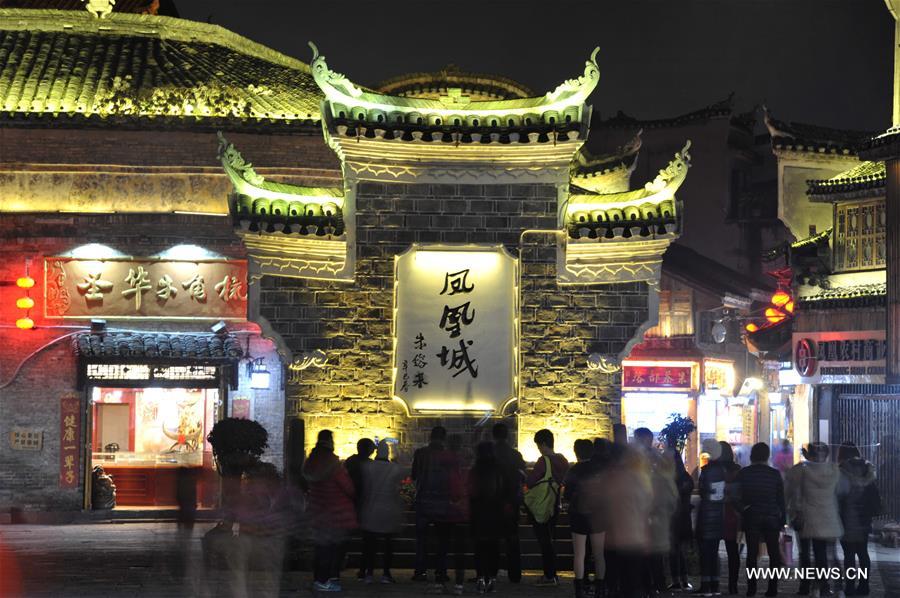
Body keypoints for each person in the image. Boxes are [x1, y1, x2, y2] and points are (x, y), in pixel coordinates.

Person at [302, 430, 357, 593]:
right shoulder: (334, 465)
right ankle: (325, 580)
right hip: (335, 512)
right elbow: (348, 488)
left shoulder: (310, 463)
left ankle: (319, 578)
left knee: (321, 548)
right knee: (332, 549)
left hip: (318, 511)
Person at [786, 442, 843, 596]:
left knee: (805, 554)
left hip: (806, 518)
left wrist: (787, 510)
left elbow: (789, 491)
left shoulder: (800, 470)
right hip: (827, 517)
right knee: (822, 554)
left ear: (809, 455)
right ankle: (822, 586)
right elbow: (841, 492)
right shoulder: (834, 470)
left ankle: (805, 586)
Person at [736, 442, 785, 597]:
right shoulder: (775, 474)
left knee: (751, 553)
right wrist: (782, 520)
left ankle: (751, 589)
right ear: (767, 455)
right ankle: (772, 588)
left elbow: (737, 496)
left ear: (752, 455)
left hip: (752, 516)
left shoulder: (744, 473)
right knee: (774, 553)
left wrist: (744, 509)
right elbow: (781, 500)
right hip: (771, 516)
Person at [633, 427, 677, 596]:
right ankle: (656, 585)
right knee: (653, 552)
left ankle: (650, 585)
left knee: (649, 552)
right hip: (654, 511)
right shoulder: (655, 457)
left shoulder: (643, 459)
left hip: (648, 510)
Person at [525, 428, 569, 586]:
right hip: (555, 503)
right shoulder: (563, 460)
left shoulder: (543, 461)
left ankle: (549, 576)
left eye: (538, 445)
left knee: (544, 541)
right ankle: (552, 574)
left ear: (543, 444)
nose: (538, 448)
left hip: (542, 504)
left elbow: (530, 482)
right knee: (550, 539)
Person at [564, 439, 607, 598]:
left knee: (579, 554)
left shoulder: (573, 471)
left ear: (576, 452)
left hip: (578, 514)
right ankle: (600, 588)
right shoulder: (599, 470)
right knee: (599, 554)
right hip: (598, 514)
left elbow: (567, 495)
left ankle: (580, 589)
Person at [359, 439, 405, 584]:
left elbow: (364, 489)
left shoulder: (367, 466)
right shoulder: (395, 469)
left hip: (371, 509)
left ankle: (369, 573)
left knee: (370, 545)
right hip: (389, 511)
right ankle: (386, 573)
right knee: (388, 546)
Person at [411, 425, 453, 583]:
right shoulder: (449, 455)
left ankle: (420, 571)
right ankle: (441, 571)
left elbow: (414, 475)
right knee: (442, 540)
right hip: (443, 502)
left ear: (430, 437)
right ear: (444, 438)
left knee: (421, 539)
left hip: (423, 500)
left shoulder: (420, 453)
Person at [837, 442, 880, 596]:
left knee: (849, 554)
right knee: (863, 553)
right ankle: (864, 586)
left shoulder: (841, 470)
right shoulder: (868, 469)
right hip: (864, 519)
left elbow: (839, 494)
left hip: (846, 517)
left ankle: (849, 586)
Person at [469, 441, 509, 595]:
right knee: (494, 548)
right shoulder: (500, 470)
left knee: (479, 548)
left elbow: (470, 492)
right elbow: (505, 491)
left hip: (478, 513)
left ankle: (480, 578)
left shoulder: (475, 470)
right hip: (495, 513)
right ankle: (491, 579)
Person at [491, 422, 525, 583]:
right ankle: (515, 573)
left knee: (492, 539)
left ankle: (491, 571)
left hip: (493, 502)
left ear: (494, 435)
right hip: (511, 502)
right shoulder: (515, 455)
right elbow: (522, 475)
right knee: (512, 538)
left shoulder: (489, 454)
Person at [696, 438, 727, 596]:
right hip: (718, 514)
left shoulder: (707, 470)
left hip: (707, 514)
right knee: (713, 552)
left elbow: (703, 491)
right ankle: (714, 585)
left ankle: (705, 585)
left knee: (705, 553)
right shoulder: (722, 470)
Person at [344, 437, 376, 580]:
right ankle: (365, 569)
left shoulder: (350, 462)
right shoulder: (370, 465)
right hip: (365, 503)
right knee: (368, 540)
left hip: (351, 502)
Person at [667, 442, 694, 592]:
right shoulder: (686, 478)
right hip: (684, 517)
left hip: (672, 517)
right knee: (681, 551)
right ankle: (684, 579)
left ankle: (676, 580)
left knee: (673, 550)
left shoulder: (668, 478)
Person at [719, 441, 743, 595]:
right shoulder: (738, 471)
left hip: (719, 512)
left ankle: (712, 582)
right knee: (733, 552)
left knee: (712, 548)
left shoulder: (714, 470)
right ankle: (732, 584)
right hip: (734, 514)